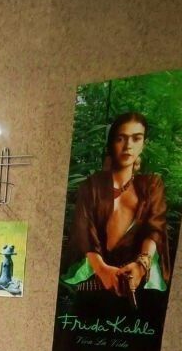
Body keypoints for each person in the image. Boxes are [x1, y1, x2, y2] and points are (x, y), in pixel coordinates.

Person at [64, 112, 169, 300]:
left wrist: (141, 266)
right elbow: (84, 232)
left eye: (136, 138)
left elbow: (155, 228)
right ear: (111, 143)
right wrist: (102, 269)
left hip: (138, 284)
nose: (128, 146)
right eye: (121, 138)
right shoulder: (91, 186)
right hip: (93, 281)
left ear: (143, 144)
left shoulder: (151, 185)